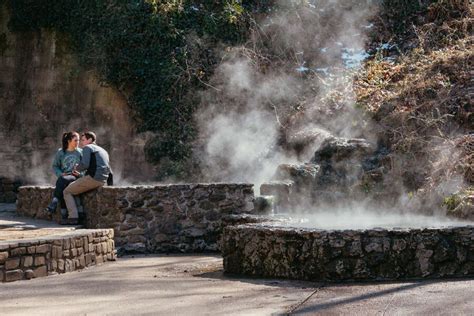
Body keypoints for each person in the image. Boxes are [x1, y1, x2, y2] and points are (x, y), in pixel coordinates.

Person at [62, 131, 112, 225]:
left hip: (94, 178)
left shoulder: (87, 147)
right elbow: (110, 170)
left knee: (67, 191)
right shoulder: (103, 150)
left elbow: (85, 164)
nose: (81, 142)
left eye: (83, 140)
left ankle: (73, 217)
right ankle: (80, 213)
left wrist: (76, 168)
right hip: (103, 180)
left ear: (90, 140)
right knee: (75, 189)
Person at [44, 131, 82, 214]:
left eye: (78, 140)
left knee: (61, 181)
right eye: (75, 140)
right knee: (63, 185)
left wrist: (80, 174)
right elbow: (55, 166)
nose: (78, 142)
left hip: (75, 176)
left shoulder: (80, 152)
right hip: (64, 176)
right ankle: (64, 213)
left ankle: (54, 202)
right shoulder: (61, 152)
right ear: (69, 141)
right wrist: (60, 173)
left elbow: (86, 166)